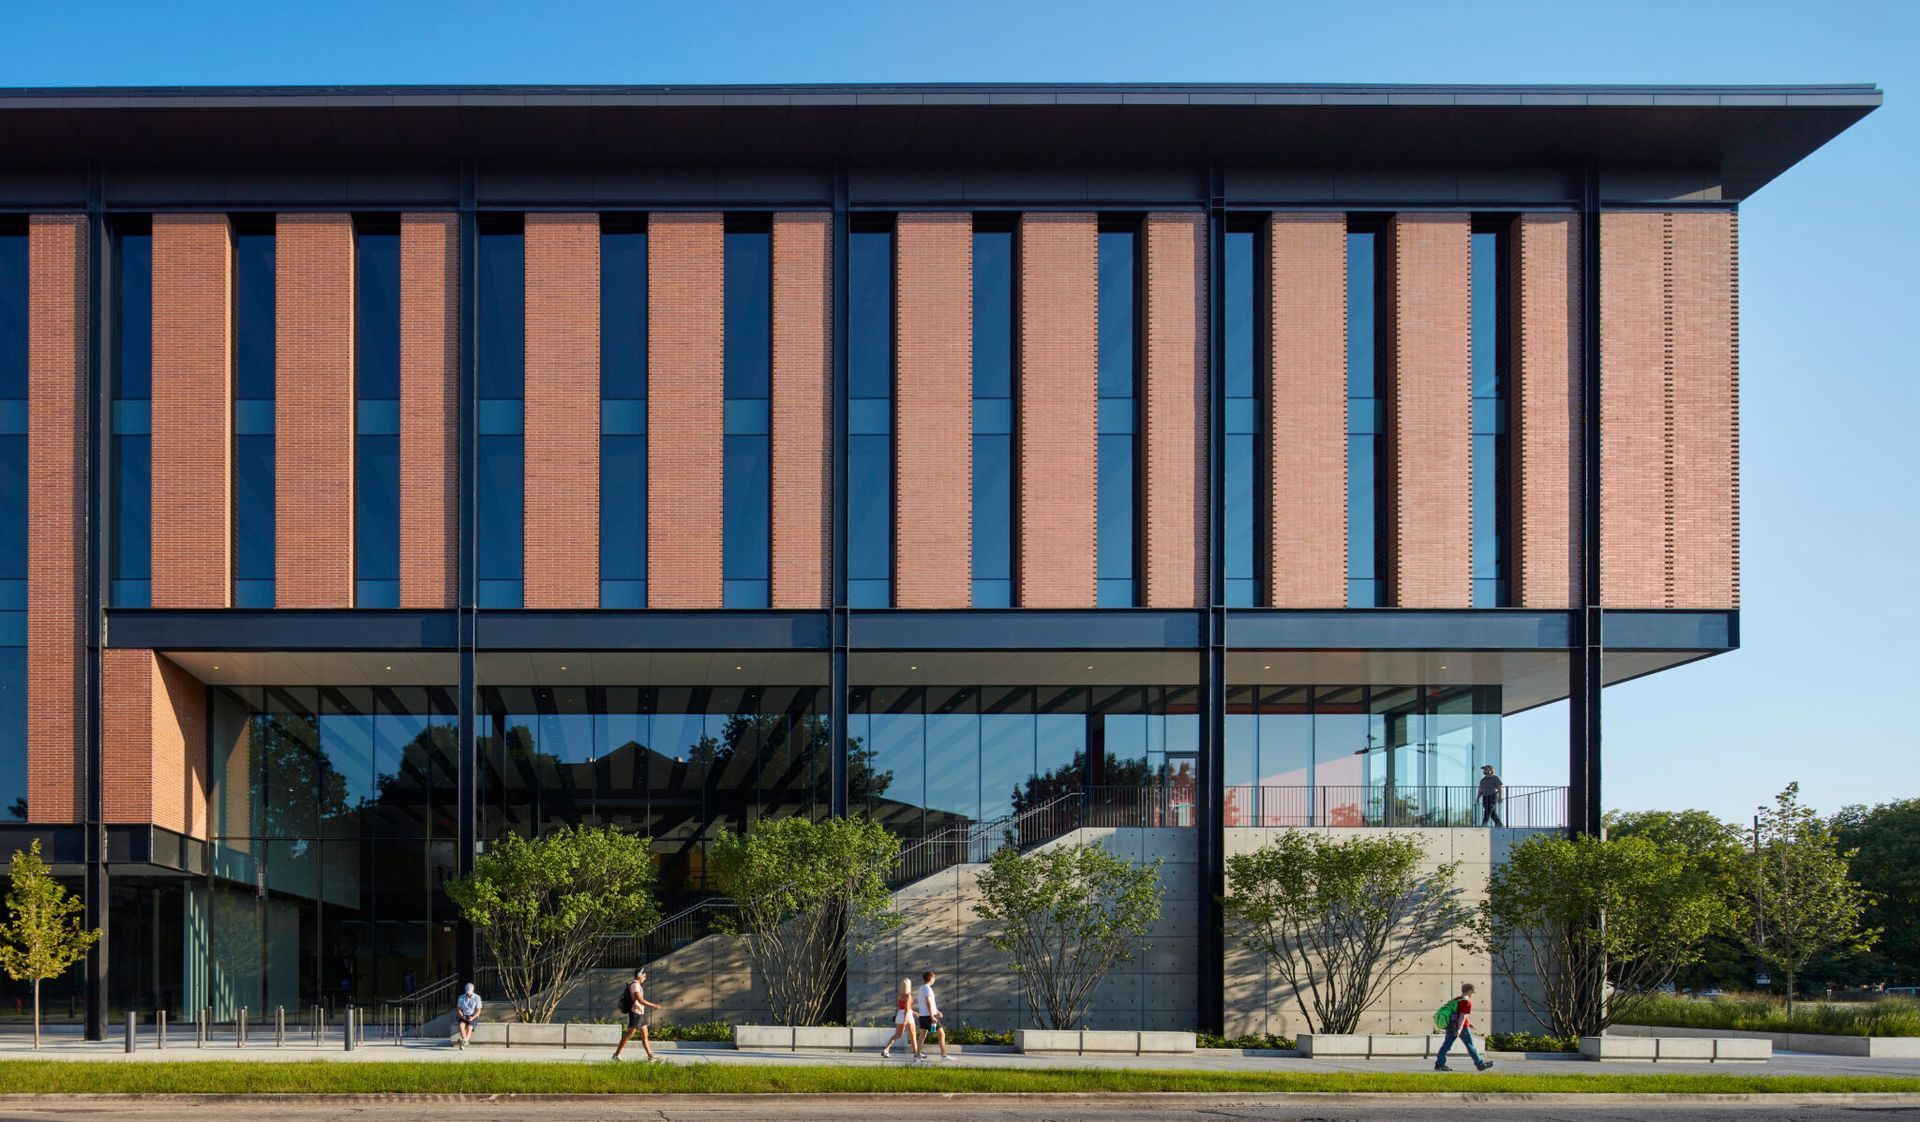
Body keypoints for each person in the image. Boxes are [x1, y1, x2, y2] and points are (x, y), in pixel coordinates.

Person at [1434, 983, 1493, 1072]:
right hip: (1461, 1028)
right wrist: (1459, 1029)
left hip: (1450, 1025)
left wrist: (1468, 1024)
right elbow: (1462, 1016)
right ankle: (1480, 1064)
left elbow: (1457, 1014)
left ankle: (1439, 1064)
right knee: (1470, 1046)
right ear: (1469, 991)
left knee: (1446, 1046)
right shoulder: (1467, 1002)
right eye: (1472, 992)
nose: (1472, 994)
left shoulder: (1456, 1000)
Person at [612, 966, 664, 1061]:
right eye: (644, 976)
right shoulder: (635, 985)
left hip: (641, 1013)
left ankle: (650, 1056)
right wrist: (654, 1006)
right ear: (639, 975)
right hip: (636, 1013)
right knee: (629, 1034)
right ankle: (616, 1055)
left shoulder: (638, 985)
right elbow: (640, 1000)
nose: (645, 978)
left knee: (645, 1035)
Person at [914, 971, 952, 1061]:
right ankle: (943, 1055)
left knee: (922, 1036)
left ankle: (917, 1056)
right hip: (929, 1015)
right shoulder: (928, 989)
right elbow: (928, 1003)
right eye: (934, 978)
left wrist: (937, 1011)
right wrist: (932, 1016)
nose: (934, 980)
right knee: (942, 1034)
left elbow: (927, 1003)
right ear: (931, 978)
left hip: (923, 1015)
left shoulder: (921, 988)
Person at [879, 977, 921, 1059]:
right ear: (909, 985)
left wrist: (914, 1012)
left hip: (900, 1015)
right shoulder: (908, 995)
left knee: (897, 1035)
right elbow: (906, 1009)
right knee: (913, 1036)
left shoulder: (900, 995)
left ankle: (886, 1049)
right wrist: (905, 1020)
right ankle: (916, 1053)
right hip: (907, 1015)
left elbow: (903, 1007)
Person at [453, 983, 481, 1050]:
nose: (469, 994)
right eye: (468, 992)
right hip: (464, 1014)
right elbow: (458, 1009)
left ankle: (463, 1042)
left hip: (473, 1015)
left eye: (470, 992)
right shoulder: (461, 997)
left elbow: (478, 1011)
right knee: (461, 1025)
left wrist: (472, 1017)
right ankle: (465, 1041)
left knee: (469, 1027)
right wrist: (462, 1016)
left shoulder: (477, 997)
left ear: (473, 990)